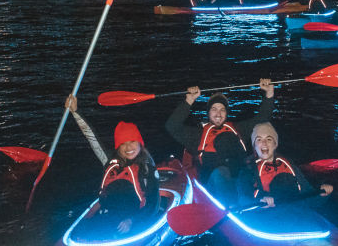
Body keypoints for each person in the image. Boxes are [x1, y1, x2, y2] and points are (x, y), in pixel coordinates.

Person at [165, 79, 275, 204]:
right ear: (208, 113)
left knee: (245, 175)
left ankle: (248, 207)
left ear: (226, 113)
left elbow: (263, 117)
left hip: (238, 178)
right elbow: (171, 126)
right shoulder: (197, 134)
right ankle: (230, 209)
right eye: (214, 109)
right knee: (221, 172)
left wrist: (269, 93)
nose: (218, 113)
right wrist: (189, 101)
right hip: (214, 184)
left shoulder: (238, 129)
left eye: (222, 109)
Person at [65, 95, 160, 234]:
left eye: (132, 141)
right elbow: (92, 137)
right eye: (123, 144)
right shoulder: (110, 162)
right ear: (118, 147)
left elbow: (153, 205)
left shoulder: (147, 168)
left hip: (137, 220)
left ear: (140, 143)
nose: (128, 148)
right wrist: (75, 112)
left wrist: (132, 220)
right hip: (110, 216)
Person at [237, 122, 333, 208]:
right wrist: (259, 202)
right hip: (265, 217)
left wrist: (321, 194)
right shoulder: (247, 169)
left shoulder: (287, 164)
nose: (264, 143)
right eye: (259, 140)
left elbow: (308, 196)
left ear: (275, 145)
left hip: (292, 213)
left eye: (269, 139)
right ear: (254, 146)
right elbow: (243, 200)